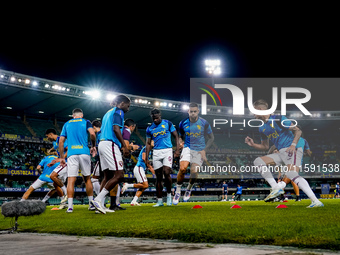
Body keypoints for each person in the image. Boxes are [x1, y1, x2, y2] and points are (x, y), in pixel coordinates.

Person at [245, 99, 323, 208]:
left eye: (254, 111)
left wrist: (293, 145)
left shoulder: (278, 118)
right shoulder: (261, 128)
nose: (253, 114)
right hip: (281, 151)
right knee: (258, 161)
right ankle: (276, 188)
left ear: (260, 109)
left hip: (291, 148)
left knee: (292, 175)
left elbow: (298, 131)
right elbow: (265, 146)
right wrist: (253, 145)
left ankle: (315, 201)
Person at [90, 95, 131, 214]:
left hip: (102, 144)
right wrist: (124, 146)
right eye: (128, 106)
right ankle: (98, 200)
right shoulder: (119, 111)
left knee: (107, 176)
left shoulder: (107, 113)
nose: (128, 108)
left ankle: (100, 206)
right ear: (122, 103)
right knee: (119, 175)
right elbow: (116, 129)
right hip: (110, 144)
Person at [173, 102, 214, 205]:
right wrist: (180, 142)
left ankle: (188, 189)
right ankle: (178, 191)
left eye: (195, 111)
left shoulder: (204, 123)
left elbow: (211, 138)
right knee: (182, 169)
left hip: (199, 150)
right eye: (191, 112)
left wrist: (204, 149)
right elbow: (180, 136)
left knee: (194, 172)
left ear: (198, 111)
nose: (193, 114)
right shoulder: (183, 123)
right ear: (188, 111)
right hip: (187, 147)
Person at [59, 108, 97, 213]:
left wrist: (62, 157)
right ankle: (91, 204)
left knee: (71, 180)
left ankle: (70, 207)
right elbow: (92, 134)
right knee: (87, 179)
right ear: (82, 115)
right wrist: (93, 146)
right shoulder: (86, 122)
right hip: (84, 152)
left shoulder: (67, 124)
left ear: (73, 115)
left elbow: (61, 141)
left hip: (72, 154)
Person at [145, 108, 180, 207]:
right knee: (158, 177)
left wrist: (177, 150)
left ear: (160, 116)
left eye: (156, 118)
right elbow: (148, 143)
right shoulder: (150, 128)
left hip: (167, 150)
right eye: (153, 118)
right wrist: (147, 157)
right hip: (156, 152)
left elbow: (176, 136)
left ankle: (169, 196)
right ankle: (159, 201)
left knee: (167, 172)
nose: (155, 120)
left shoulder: (168, 123)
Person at [108, 118, 138, 211]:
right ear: (132, 126)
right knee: (116, 177)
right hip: (114, 152)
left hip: (109, 150)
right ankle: (111, 204)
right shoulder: (127, 131)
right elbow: (124, 146)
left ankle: (114, 203)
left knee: (114, 179)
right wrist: (132, 147)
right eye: (133, 128)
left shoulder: (122, 130)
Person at [122, 140, 155, 205]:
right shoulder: (146, 148)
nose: (154, 142)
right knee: (146, 185)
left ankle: (134, 201)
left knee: (143, 187)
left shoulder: (149, 150)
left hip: (140, 169)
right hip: (139, 168)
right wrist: (150, 167)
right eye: (153, 141)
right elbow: (143, 158)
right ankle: (128, 185)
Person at [45, 128, 68, 207]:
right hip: (63, 162)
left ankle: (67, 193)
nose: (47, 139)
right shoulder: (55, 143)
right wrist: (51, 153)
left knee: (52, 176)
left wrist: (61, 159)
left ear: (51, 134)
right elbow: (56, 150)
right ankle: (63, 203)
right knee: (55, 184)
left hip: (67, 162)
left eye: (47, 136)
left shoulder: (61, 139)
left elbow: (69, 150)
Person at [90, 120, 102, 197]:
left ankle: (99, 198)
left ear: (94, 127)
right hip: (111, 157)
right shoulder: (105, 132)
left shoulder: (99, 134)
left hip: (102, 158)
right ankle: (116, 202)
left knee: (94, 179)